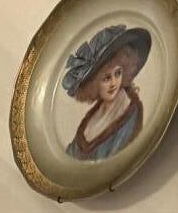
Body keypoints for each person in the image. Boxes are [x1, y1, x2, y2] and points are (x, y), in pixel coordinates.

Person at [61, 24, 150, 163]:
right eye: (106, 78)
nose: (114, 83)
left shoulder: (130, 111)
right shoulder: (92, 116)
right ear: (94, 84)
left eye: (118, 73)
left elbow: (117, 161)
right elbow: (70, 157)